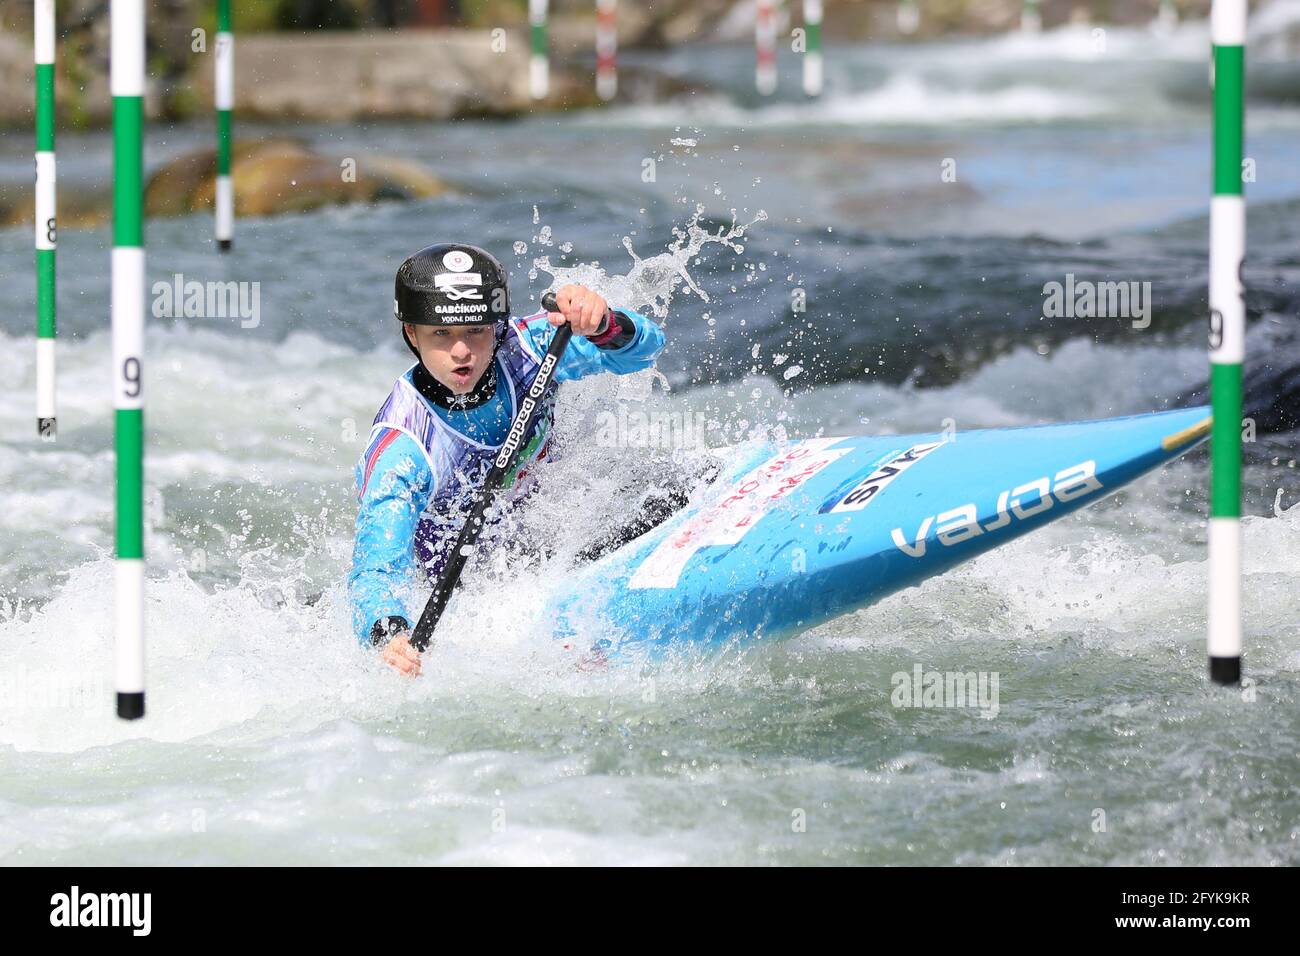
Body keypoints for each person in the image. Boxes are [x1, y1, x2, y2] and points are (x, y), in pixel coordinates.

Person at [348, 242, 666, 675]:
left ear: (497, 327)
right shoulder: (404, 448)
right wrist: (390, 635)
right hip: (472, 595)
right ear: (411, 334)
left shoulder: (530, 346)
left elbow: (642, 352)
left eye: (475, 331)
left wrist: (602, 323)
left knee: (661, 492)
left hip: (550, 536)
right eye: (441, 334)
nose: (462, 351)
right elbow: (376, 569)